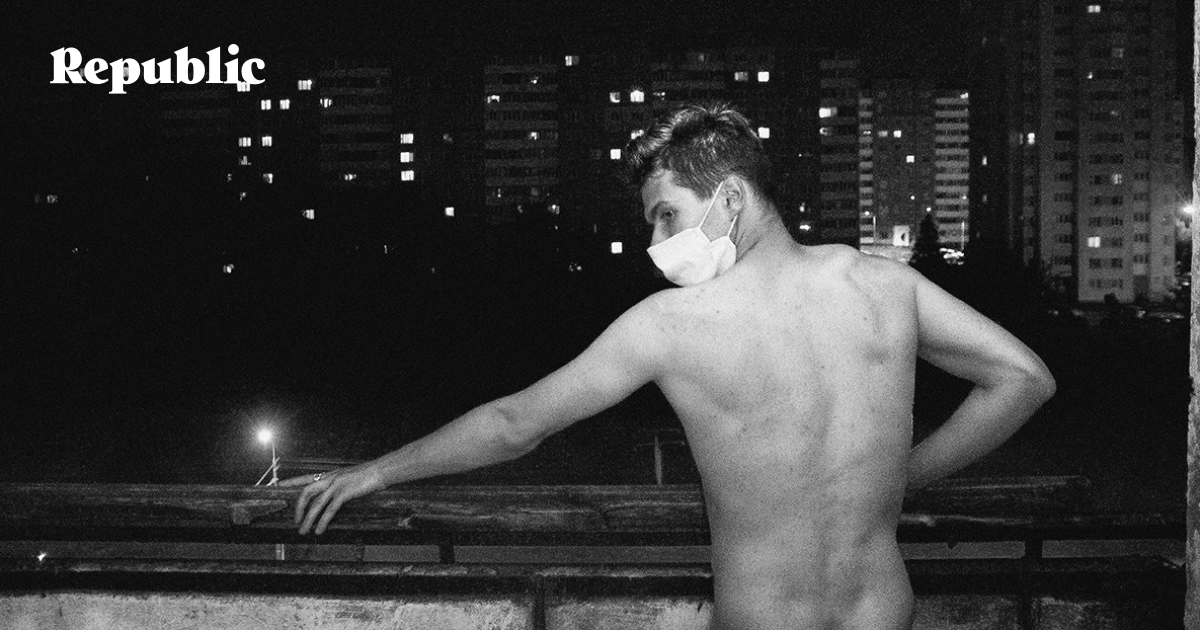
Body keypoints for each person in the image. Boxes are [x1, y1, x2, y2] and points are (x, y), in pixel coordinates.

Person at [281, 103, 1056, 629]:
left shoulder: (671, 325)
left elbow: (517, 423)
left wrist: (378, 471)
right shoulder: (885, 286)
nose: (656, 243)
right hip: (883, 615)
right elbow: (1023, 379)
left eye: (666, 214)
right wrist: (904, 475)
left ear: (731, 198)